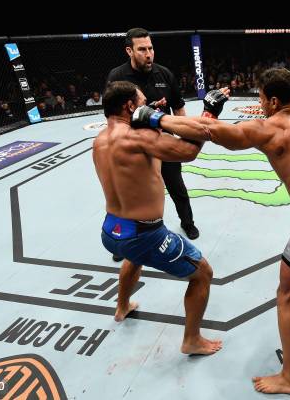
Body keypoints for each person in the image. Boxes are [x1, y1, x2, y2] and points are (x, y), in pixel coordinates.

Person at [134, 68, 290, 395]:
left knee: (287, 295)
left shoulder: (268, 131)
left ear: (274, 99)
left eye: (262, 99)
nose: (260, 104)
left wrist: (155, 118)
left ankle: (289, 377)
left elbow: (207, 130)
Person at [93, 80, 224, 355]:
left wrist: (152, 115)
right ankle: (192, 340)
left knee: (133, 256)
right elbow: (189, 151)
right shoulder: (137, 138)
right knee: (203, 274)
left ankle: (122, 307)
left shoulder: (100, 139)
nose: (147, 107)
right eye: (142, 102)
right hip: (146, 233)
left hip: (112, 231)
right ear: (130, 106)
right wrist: (209, 113)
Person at [107, 28, 200, 248]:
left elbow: (178, 108)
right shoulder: (117, 77)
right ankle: (122, 239)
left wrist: (183, 135)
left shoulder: (164, 74)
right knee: (128, 193)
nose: (148, 54)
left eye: (150, 48)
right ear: (129, 50)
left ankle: (188, 222)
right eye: (142, 49)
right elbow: (112, 117)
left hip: (162, 142)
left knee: (177, 185)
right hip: (133, 145)